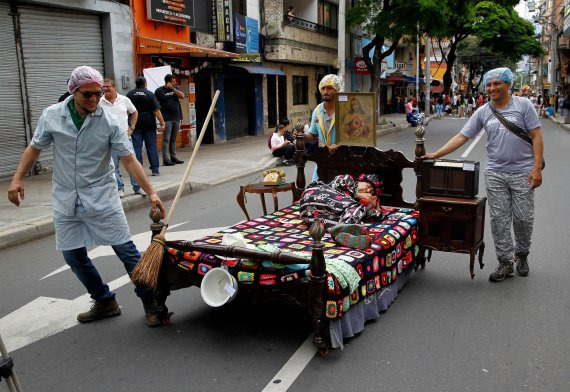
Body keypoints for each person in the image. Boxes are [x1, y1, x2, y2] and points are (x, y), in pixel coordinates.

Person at [7, 66, 168, 326]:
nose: (94, 99)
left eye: (98, 93)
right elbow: (34, 148)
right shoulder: (52, 116)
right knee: (72, 255)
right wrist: (17, 179)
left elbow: (129, 159)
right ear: (73, 92)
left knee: (126, 251)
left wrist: (151, 192)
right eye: (87, 95)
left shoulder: (111, 120)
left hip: (102, 194)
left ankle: (152, 303)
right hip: (65, 196)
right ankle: (104, 300)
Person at [423, 67, 544, 282]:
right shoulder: (484, 111)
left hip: (522, 173)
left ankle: (522, 255)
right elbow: (462, 136)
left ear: (508, 84)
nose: (491, 88)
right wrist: (436, 153)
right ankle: (505, 262)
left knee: (524, 219)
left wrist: (536, 169)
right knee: (499, 220)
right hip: (495, 173)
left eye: (496, 83)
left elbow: (536, 136)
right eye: (488, 85)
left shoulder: (523, 106)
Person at [100, 78, 142, 197]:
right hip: (108, 140)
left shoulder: (124, 100)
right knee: (113, 166)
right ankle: (120, 188)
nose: (105, 89)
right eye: (103, 87)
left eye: (107, 86)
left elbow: (134, 112)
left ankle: (137, 187)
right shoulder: (99, 102)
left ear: (114, 87)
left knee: (132, 164)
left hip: (124, 137)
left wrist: (131, 127)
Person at [304, 74, 341, 181]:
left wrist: (339, 144)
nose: (325, 91)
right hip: (324, 160)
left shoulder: (345, 108)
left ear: (337, 90)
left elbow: (354, 136)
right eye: (323, 88)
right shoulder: (317, 110)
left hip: (343, 159)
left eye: (329, 88)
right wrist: (301, 136)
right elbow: (313, 136)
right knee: (315, 190)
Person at [127, 77, 165, 176]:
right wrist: (162, 123)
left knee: (136, 148)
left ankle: (138, 171)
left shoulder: (130, 94)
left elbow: (126, 111)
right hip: (149, 123)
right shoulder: (149, 94)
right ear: (145, 83)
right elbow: (156, 110)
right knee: (151, 147)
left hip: (135, 123)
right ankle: (155, 170)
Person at [155, 74, 185, 167]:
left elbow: (182, 96)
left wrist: (173, 89)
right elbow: (156, 104)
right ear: (167, 82)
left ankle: (173, 157)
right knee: (166, 139)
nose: (175, 83)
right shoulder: (159, 91)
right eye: (173, 82)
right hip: (166, 118)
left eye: (174, 82)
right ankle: (165, 159)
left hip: (177, 117)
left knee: (173, 139)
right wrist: (160, 120)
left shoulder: (176, 88)